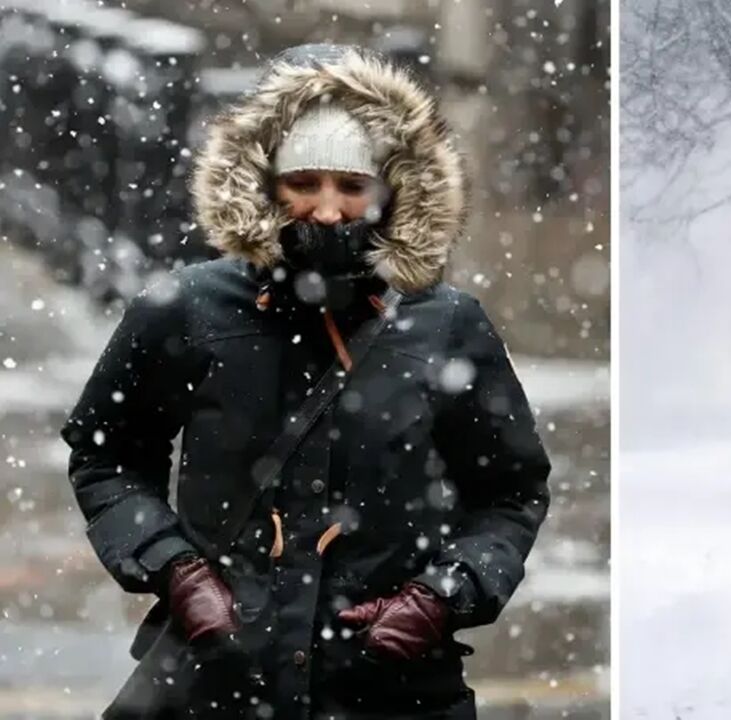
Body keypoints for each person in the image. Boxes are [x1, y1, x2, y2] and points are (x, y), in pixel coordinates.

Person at [60, 44, 550, 720]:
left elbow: (510, 492)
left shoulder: (448, 324)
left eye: (352, 186)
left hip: (391, 691)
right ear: (265, 183)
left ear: (391, 189)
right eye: (304, 182)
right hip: (220, 686)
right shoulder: (188, 310)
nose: (327, 210)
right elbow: (106, 454)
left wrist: (440, 597)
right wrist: (178, 572)